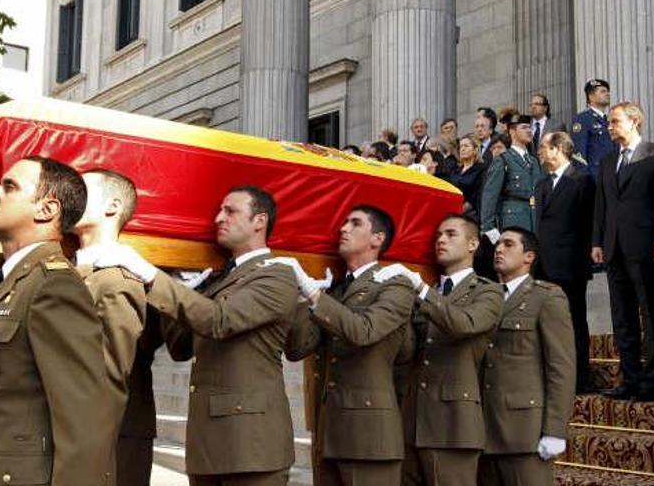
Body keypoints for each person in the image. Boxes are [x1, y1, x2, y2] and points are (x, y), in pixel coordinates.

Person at [0, 156, 115, 486]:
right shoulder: (15, 281)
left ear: (47, 210)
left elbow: (83, 420)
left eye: (9, 187)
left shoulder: (54, 286)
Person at [96, 186, 300, 485]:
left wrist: (154, 277)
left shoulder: (276, 274)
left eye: (230, 211)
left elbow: (219, 320)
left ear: (260, 221)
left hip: (251, 445)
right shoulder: (218, 277)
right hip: (208, 443)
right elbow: (180, 347)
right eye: (219, 210)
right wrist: (182, 288)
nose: (219, 218)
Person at [279, 205, 415, 486]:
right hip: (329, 431)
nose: (343, 228)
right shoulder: (336, 288)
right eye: (343, 222)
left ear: (377, 238)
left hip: (369, 437)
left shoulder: (394, 284)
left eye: (355, 223)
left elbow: (364, 331)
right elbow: (296, 349)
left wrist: (314, 294)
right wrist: (304, 300)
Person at [372, 214, 503, 486]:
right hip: (412, 421)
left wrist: (419, 288)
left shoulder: (487, 292)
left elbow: (464, 325)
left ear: (473, 244)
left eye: (451, 234)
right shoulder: (428, 292)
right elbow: (408, 350)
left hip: (453, 425)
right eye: (438, 235)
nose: (441, 239)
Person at [478, 227, 575, 486]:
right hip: (484, 431)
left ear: (529, 257)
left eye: (509, 245)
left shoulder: (545, 297)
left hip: (525, 433)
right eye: (498, 245)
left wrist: (555, 430)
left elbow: (561, 368)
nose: (499, 249)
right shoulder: (486, 297)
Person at [593, 102, 654, 402]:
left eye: (615, 122)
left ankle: (653, 380)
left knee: (650, 314)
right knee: (622, 317)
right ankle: (630, 378)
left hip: (646, 248)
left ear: (634, 121)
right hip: (614, 248)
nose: (610, 127)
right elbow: (601, 206)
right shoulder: (606, 161)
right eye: (609, 123)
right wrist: (597, 242)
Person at [72, 169, 149, 485]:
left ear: (112, 206)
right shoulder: (63, 269)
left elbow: (106, 380)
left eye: (82, 191)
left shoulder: (117, 280)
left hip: (86, 437)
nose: (70, 199)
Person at [534, 131, 595, 393]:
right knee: (548, 325)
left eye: (543, 147)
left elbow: (589, 222)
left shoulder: (582, 179)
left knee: (574, 323)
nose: (539, 152)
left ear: (558, 148)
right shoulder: (542, 184)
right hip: (544, 266)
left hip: (570, 265)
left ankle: (581, 378)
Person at [480, 114, 545, 238]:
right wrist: (488, 227)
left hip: (534, 220)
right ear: (512, 131)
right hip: (513, 221)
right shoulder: (503, 160)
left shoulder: (534, 161)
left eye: (530, 128)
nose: (529, 131)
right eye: (524, 127)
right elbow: (490, 195)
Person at [572, 79, 618, 177]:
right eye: (602, 91)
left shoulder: (609, 120)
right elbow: (578, 155)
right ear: (591, 97)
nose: (607, 94)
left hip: (612, 175)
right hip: (595, 176)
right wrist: (586, 179)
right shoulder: (582, 119)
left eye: (607, 91)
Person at [445, 135, 486, 219]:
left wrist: (459, 211)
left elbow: (476, 197)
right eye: (461, 147)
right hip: (451, 211)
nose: (462, 149)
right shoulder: (454, 170)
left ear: (475, 150)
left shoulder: (481, 170)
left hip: (470, 215)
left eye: (466, 146)